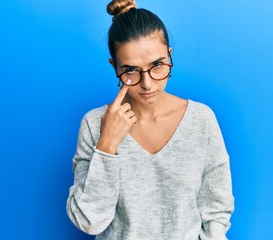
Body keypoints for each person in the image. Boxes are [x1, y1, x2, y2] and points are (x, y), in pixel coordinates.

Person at [66, 0, 234, 239]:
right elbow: (89, 222)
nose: (147, 83)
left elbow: (216, 211)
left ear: (169, 56)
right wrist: (107, 146)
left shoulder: (201, 119)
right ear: (114, 66)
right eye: (131, 70)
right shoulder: (94, 124)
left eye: (157, 65)